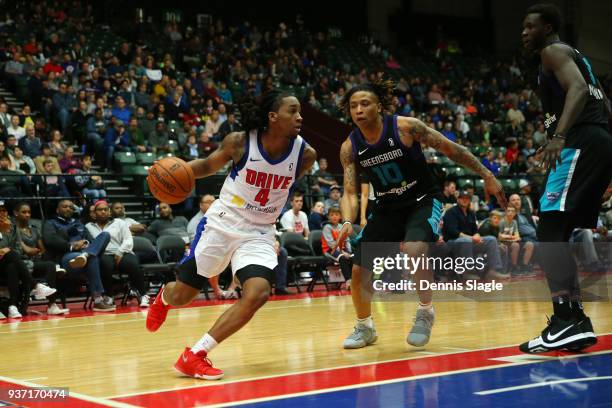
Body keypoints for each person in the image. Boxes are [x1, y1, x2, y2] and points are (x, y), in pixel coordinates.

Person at [146, 90, 316, 380]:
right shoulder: (239, 142)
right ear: (273, 116)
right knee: (182, 296)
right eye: (292, 111)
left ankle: (195, 354)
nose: (300, 117)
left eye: (300, 111)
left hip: (260, 231)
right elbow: (207, 166)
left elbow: (282, 186)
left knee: (259, 292)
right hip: (223, 223)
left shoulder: (306, 154)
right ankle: (163, 298)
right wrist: (170, 172)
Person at [337, 78, 506, 349]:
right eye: (353, 105)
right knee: (358, 270)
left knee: (414, 249)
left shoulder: (406, 127)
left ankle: (425, 311)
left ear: (378, 106)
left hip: (422, 200)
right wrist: (346, 220)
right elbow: (348, 191)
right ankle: (364, 327)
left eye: (365, 103)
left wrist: (487, 174)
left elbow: (453, 150)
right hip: (386, 208)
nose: (358, 110)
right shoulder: (350, 146)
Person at [519, 4, 612, 353]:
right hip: (597, 143)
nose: (525, 33)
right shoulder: (579, 57)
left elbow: (577, 90)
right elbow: (606, 108)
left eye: (531, 27)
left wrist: (559, 136)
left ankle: (565, 319)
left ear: (548, 28)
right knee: (558, 229)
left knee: (549, 228)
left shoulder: (553, 51)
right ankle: (575, 320)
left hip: (579, 142)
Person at [42, 199, 115, 312]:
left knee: (105, 235)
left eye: (71, 207)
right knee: (93, 258)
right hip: (69, 257)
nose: (68, 209)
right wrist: (72, 246)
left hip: (85, 253)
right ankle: (98, 301)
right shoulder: (50, 223)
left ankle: (86, 255)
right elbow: (50, 241)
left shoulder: (79, 223)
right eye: (65, 206)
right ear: (57, 209)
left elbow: (91, 240)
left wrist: (85, 244)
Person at [86, 200, 149, 308]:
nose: (103, 212)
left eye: (105, 209)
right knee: (105, 264)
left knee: (133, 263)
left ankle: (143, 295)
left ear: (109, 212)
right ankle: (109, 296)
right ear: (94, 213)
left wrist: (120, 252)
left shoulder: (119, 222)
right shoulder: (88, 226)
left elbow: (128, 239)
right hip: (103, 253)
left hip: (122, 251)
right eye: (100, 210)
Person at [14, 202, 69, 315]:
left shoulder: (34, 229)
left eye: (29, 212)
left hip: (35, 260)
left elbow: (42, 248)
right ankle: (37, 286)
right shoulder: (13, 229)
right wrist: (32, 252)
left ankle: (52, 305)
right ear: (16, 213)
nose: (27, 215)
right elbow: (24, 249)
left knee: (50, 265)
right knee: (49, 265)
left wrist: (38, 253)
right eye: (24, 212)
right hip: (21, 261)